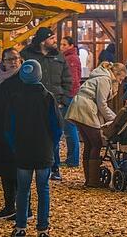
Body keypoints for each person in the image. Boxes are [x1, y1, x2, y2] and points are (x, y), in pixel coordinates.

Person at [8, 59, 62, 237]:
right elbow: (57, 127)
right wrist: (52, 145)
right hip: (43, 149)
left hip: (22, 150)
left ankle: (20, 227)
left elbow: (9, 127)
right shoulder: (48, 97)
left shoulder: (15, 98)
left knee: (22, 190)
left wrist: (14, 146)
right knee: (43, 189)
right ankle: (43, 228)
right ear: (39, 74)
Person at [20, 27, 71, 181]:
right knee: (30, 134)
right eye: (52, 38)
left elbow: (67, 79)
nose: (55, 41)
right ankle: (30, 165)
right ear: (43, 41)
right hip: (31, 104)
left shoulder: (59, 56)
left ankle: (53, 167)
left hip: (55, 102)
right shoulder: (26, 55)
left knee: (54, 134)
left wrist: (63, 100)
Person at [67, 61, 127, 187]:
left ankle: (89, 179)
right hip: (86, 108)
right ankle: (93, 180)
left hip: (79, 106)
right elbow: (102, 104)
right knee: (96, 143)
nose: (121, 82)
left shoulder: (100, 76)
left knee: (89, 144)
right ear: (116, 74)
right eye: (121, 79)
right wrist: (116, 120)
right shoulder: (105, 80)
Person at [0, 48, 25, 221]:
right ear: (3, 61)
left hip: (16, 130)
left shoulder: (23, 78)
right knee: (4, 169)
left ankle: (24, 208)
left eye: (16, 58)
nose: (14, 62)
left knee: (18, 170)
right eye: (10, 59)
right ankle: (10, 206)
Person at [58, 36, 82, 168]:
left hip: (69, 97)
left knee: (70, 128)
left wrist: (65, 97)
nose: (61, 47)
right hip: (70, 96)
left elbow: (72, 80)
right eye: (61, 44)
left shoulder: (71, 59)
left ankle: (73, 159)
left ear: (71, 46)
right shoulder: (68, 58)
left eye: (64, 44)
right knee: (69, 128)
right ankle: (72, 159)